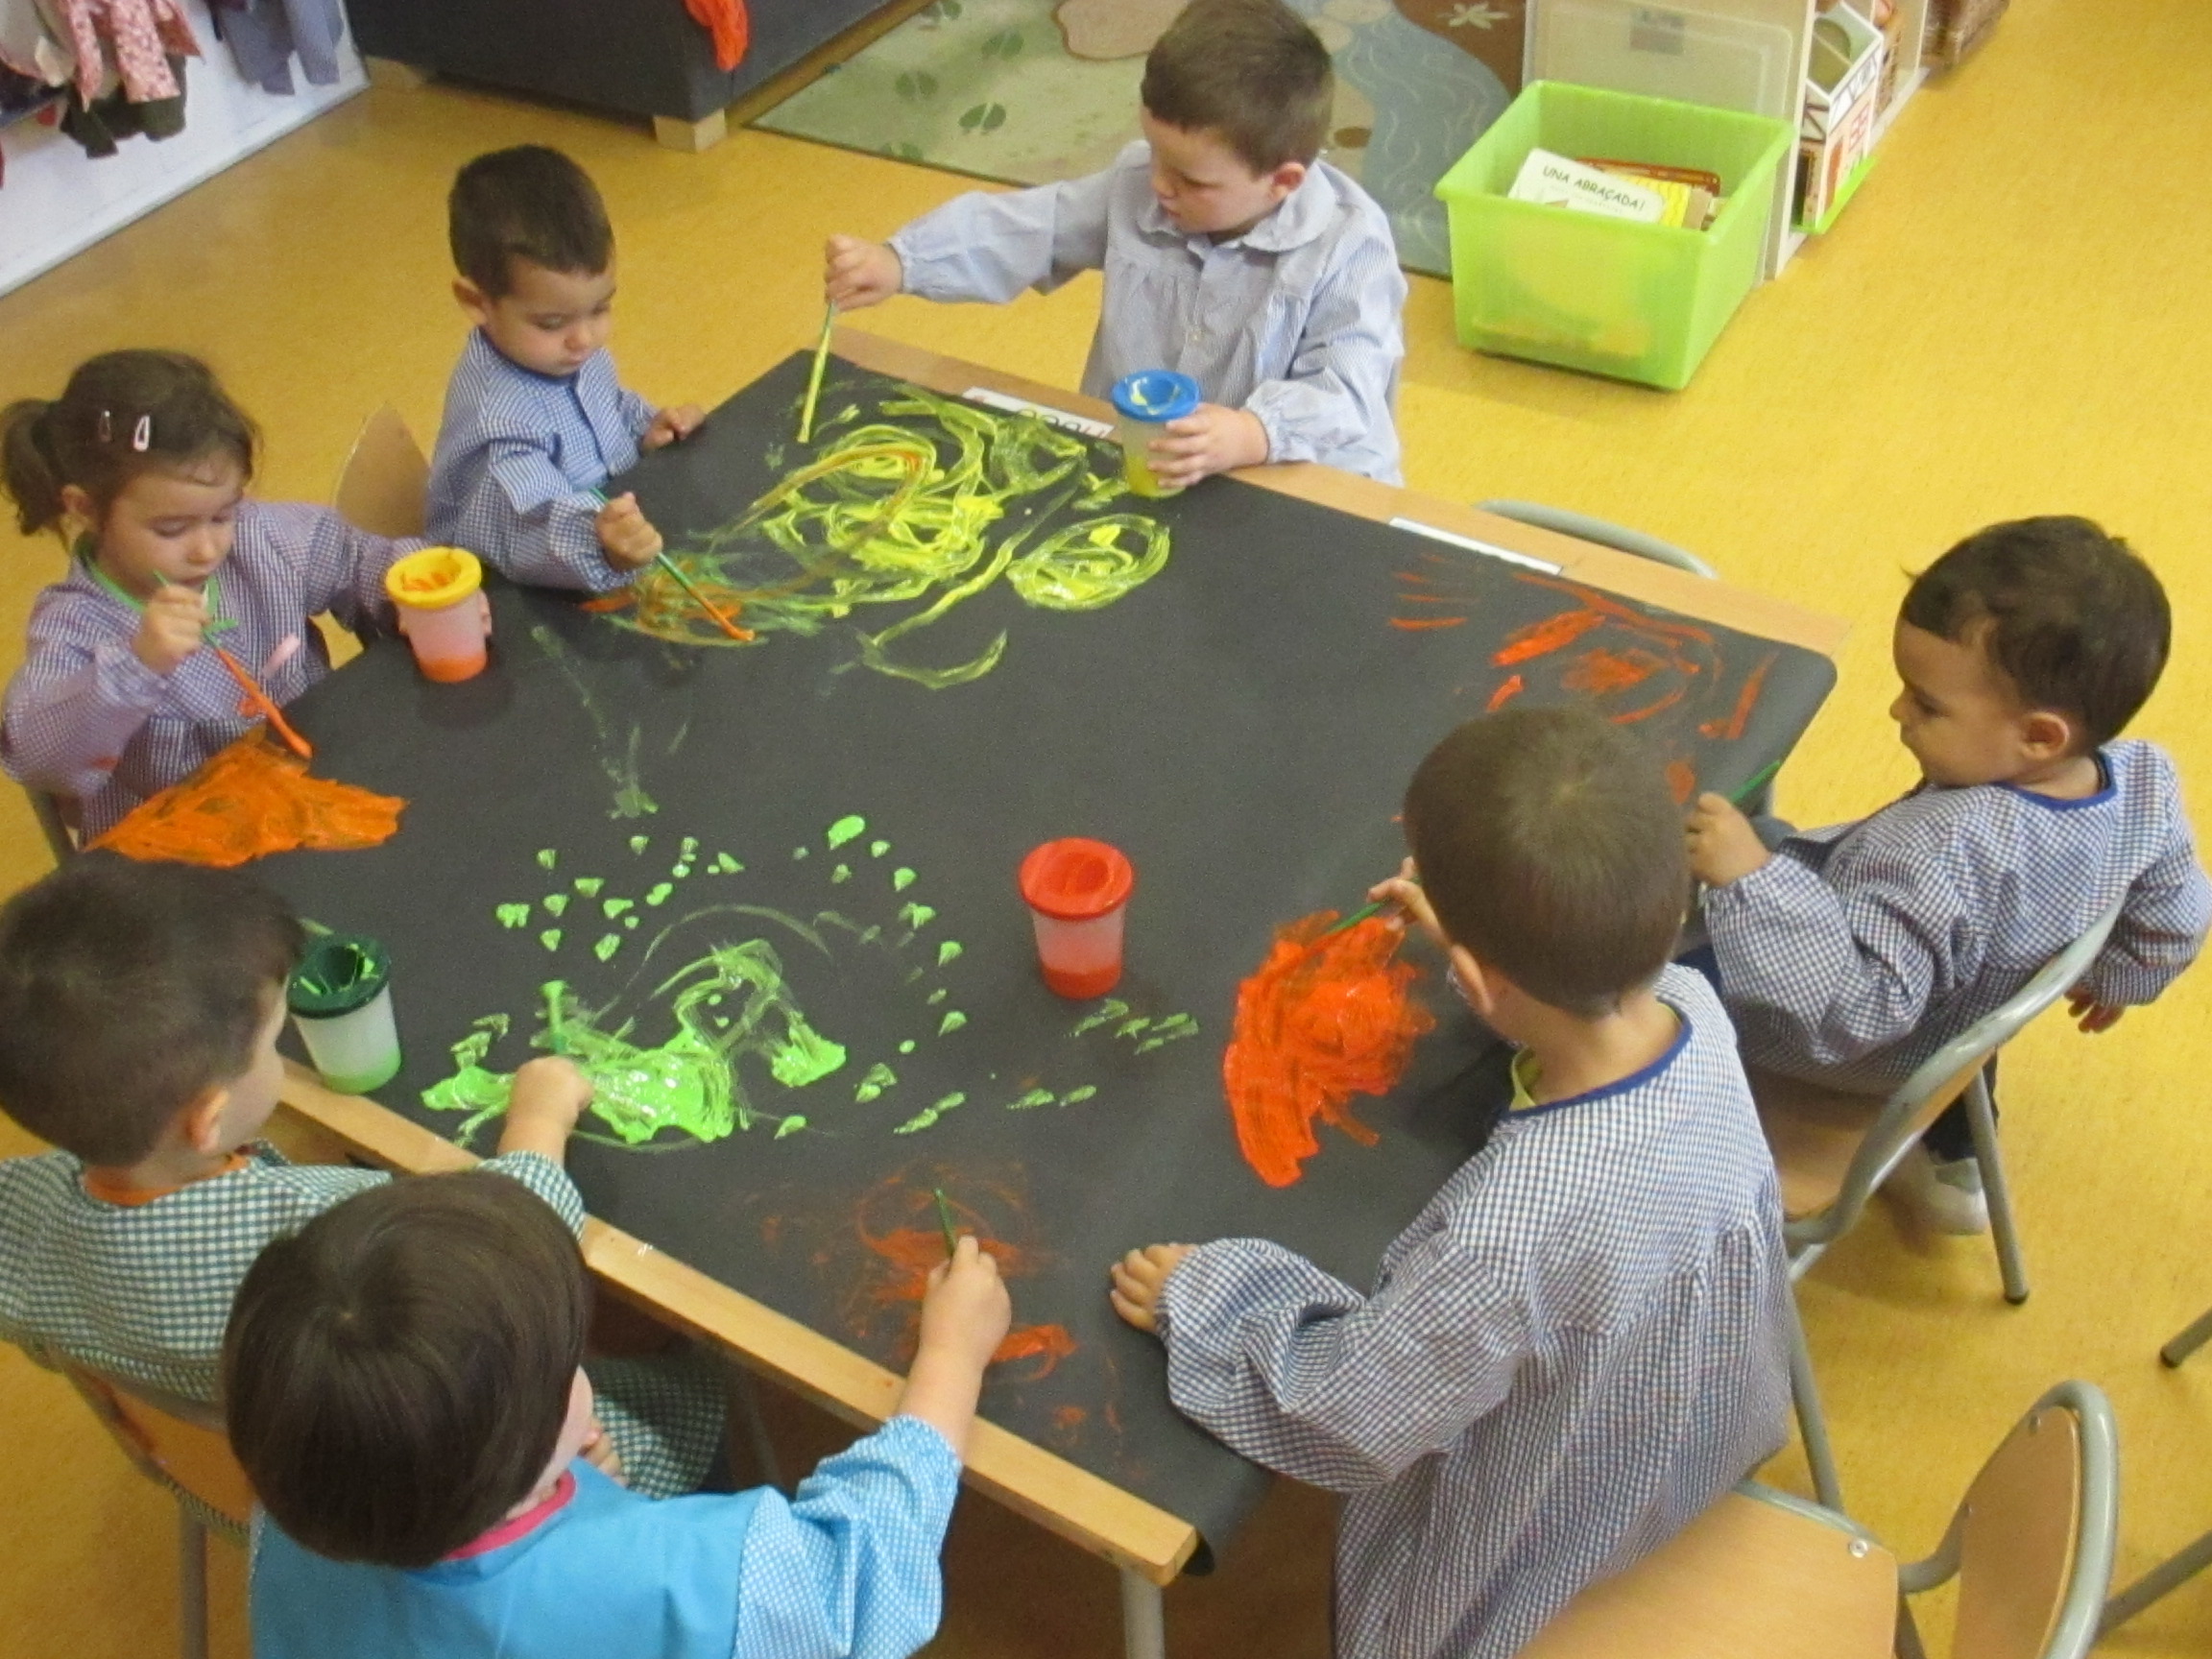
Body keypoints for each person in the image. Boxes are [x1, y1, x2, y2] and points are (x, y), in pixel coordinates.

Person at [1110, 706, 1793, 1659]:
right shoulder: (1693, 1008)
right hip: (1697, 1435)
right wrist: (1500, 968)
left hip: (1546, 1535)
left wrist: (1208, 1299)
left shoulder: (1506, 1232)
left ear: (1469, 976)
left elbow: (1351, 1416)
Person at [0, 854, 724, 1498]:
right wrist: (540, 1117)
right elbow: (512, 1243)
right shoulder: (330, 1241)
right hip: (454, 1475)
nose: (281, 1055)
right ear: (208, 1120)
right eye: (272, 1044)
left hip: (264, 1488)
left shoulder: (19, 1219)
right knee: (697, 1390)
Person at [227, 1169, 1011, 1659]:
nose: (582, 1376)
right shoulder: (683, 1579)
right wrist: (951, 1358)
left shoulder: (307, 1495)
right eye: (569, 1367)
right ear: (519, 1455)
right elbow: (862, 1577)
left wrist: (564, 1495)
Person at [1687, 517, 2212, 1233]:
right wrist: (2117, 975)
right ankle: (1952, 1153)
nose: (1897, 710)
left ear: (2038, 736)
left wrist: (1750, 881)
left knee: (1658, 961)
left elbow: (1852, 1013)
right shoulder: (2144, 781)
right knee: (1777, 843)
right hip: (1969, 1020)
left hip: (1864, 1049)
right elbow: (2177, 909)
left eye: (1927, 703)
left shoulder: (1937, 849)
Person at [825, 0, 1406, 488]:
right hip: (1153, 460)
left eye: (1191, 180)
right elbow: (1028, 228)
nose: (1160, 185)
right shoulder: (1140, 188)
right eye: (1155, 154)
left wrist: (1255, 432)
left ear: (1282, 182)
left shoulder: (1351, 246)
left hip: (1299, 477)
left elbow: (1348, 391)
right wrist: (903, 262)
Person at [1, 350, 419, 838]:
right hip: (190, 844)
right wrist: (135, 665)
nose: (207, 549)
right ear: (86, 509)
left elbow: (360, 559)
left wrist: (413, 590)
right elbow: (42, 758)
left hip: (316, 792)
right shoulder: (74, 623)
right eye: (171, 529)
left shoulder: (262, 538)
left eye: (222, 515)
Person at [425, 145, 705, 592]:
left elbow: (609, 406)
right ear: (477, 302)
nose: (584, 339)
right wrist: (603, 546)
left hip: (601, 539)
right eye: (552, 323)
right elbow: (531, 531)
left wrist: (648, 429)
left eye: (600, 309)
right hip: (516, 589)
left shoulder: (560, 354)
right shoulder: (500, 427)